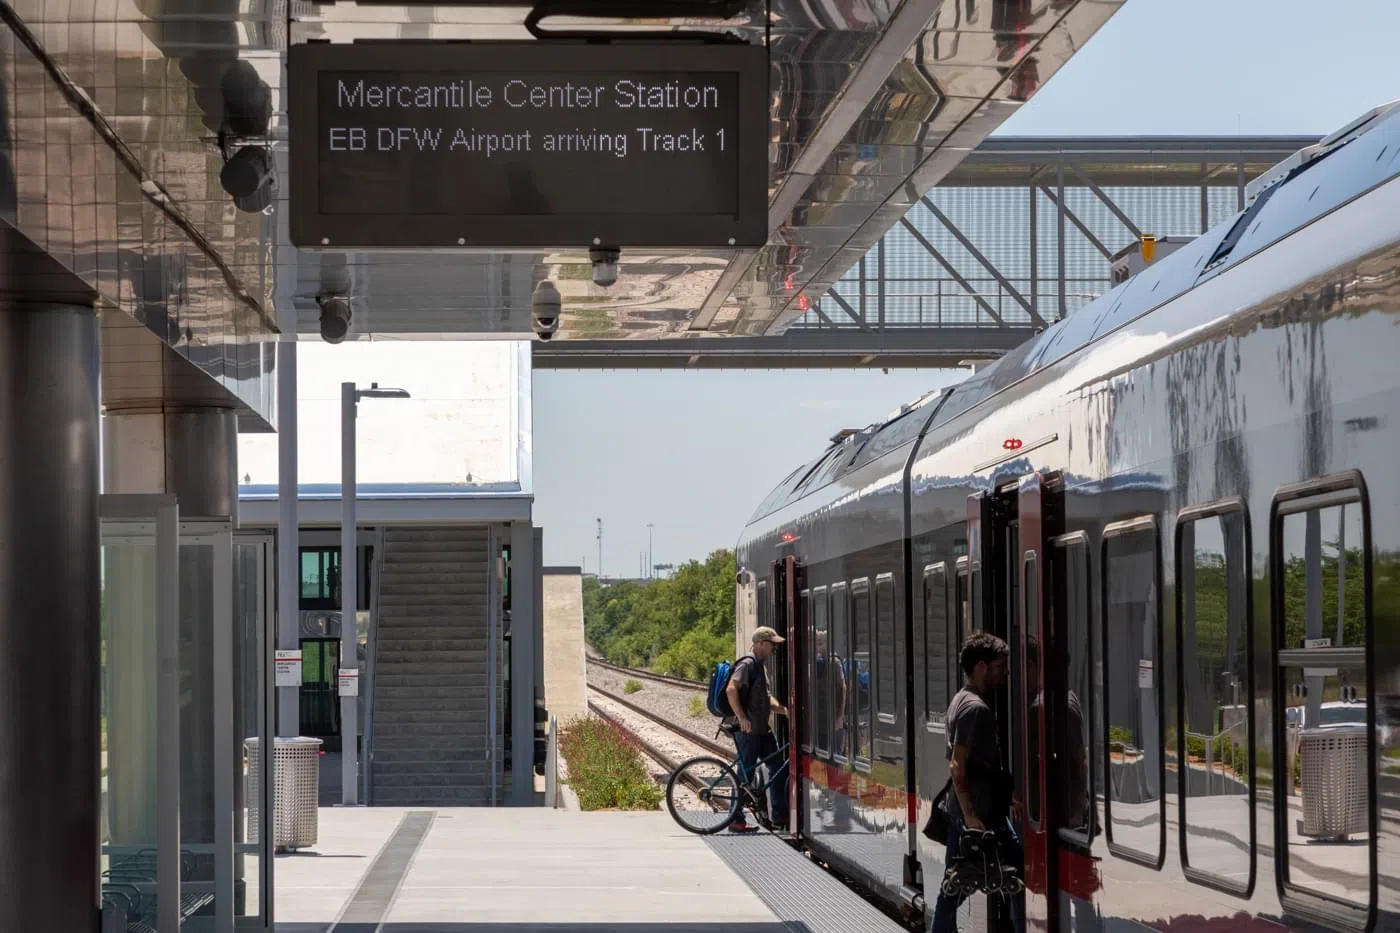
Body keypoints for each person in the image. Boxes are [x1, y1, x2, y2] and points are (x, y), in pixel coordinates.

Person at [931, 632, 1024, 933]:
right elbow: (957, 763)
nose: (1005, 673)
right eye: (1000, 666)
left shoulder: (960, 699)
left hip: (968, 811)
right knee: (1020, 873)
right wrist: (971, 815)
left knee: (952, 888)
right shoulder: (975, 708)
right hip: (980, 816)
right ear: (981, 666)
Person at [726, 626, 790, 831]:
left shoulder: (760, 667)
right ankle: (736, 819)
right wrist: (742, 718)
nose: (774, 650)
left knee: (778, 767)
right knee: (745, 776)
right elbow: (731, 690)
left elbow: (766, 698)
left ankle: (779, 815)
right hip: (749, 731)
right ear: (760, 644)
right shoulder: (747, 664)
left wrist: (784, 710)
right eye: (772, 645)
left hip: (762, 730)